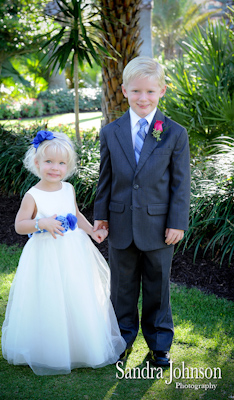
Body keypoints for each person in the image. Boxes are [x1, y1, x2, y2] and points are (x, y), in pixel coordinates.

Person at [1, 130, 126, 375]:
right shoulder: (32, 195)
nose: (54, 168)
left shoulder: (68, 188)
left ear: (67, 166)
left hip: (73, 251)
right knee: (49, 296)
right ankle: (49, 347)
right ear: (36, 163)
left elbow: (75, 214)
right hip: (45, 254)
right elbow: (19, 225)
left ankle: (80, 344)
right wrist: (42, 223)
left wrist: (91, 231)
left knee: (76, 294)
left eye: (61, 163)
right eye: (48, 162)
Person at [94, 56, 191, 367]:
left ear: (162, 91)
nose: (143, 98)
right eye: (136, 91)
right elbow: (105, 178)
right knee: (121, 288)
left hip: (159, 226)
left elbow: (180, 183)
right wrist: (101, 216)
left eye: (150, 91)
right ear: (124, 91)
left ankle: (159, 345)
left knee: (157, 287)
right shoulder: (111, 132)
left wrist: (178, 222)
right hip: (120, 223)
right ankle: (121, 341)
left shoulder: (174, 133)